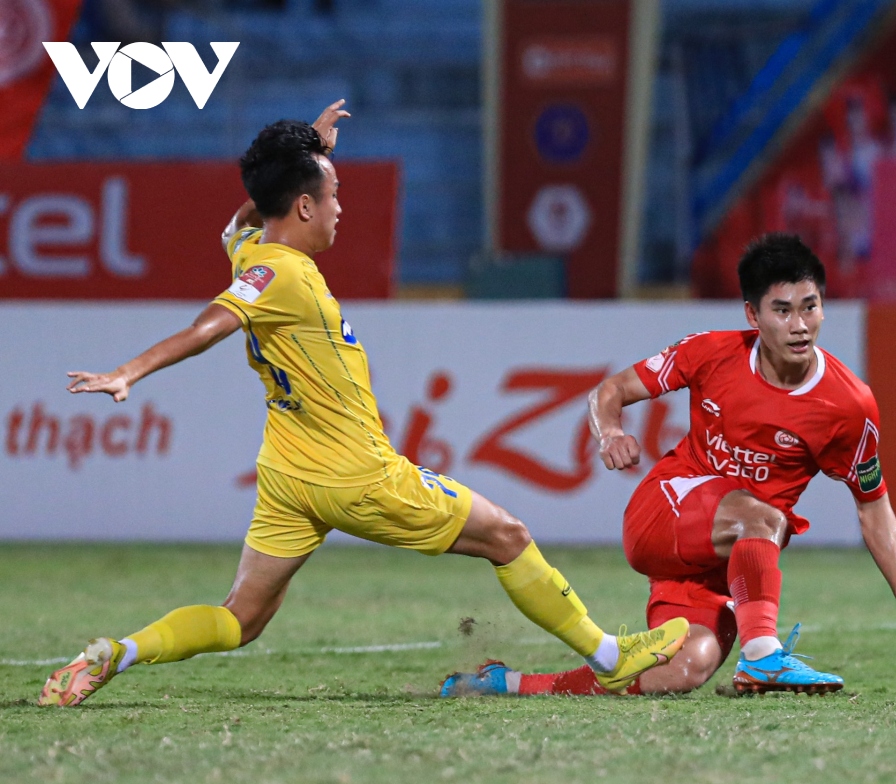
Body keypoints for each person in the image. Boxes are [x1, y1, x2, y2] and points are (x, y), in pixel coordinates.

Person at [39, 101, 687, 708]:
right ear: (302, 205)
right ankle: (610, 657)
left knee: (241, 618)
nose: (339, 208)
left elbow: (239, 221)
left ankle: (115, 654)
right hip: (352, 472)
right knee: (508, 536)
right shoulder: (282, 274)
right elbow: (211, 324)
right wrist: (130, 371)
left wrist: (307, 150)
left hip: (289, 476)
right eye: (332, 194)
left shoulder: (251, 248)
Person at [440, 233, 896, 698]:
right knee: (764, 515)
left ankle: (505, 683)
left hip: (727, 565)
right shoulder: (711, 353)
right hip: (664, 514)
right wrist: (613, 432)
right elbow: (612, 390)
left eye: (810, 306)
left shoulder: (849, 407)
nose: (800, 324)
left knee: (683, 671)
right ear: (752, 315)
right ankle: (763, 655)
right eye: (782, 310)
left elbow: (871, 502)